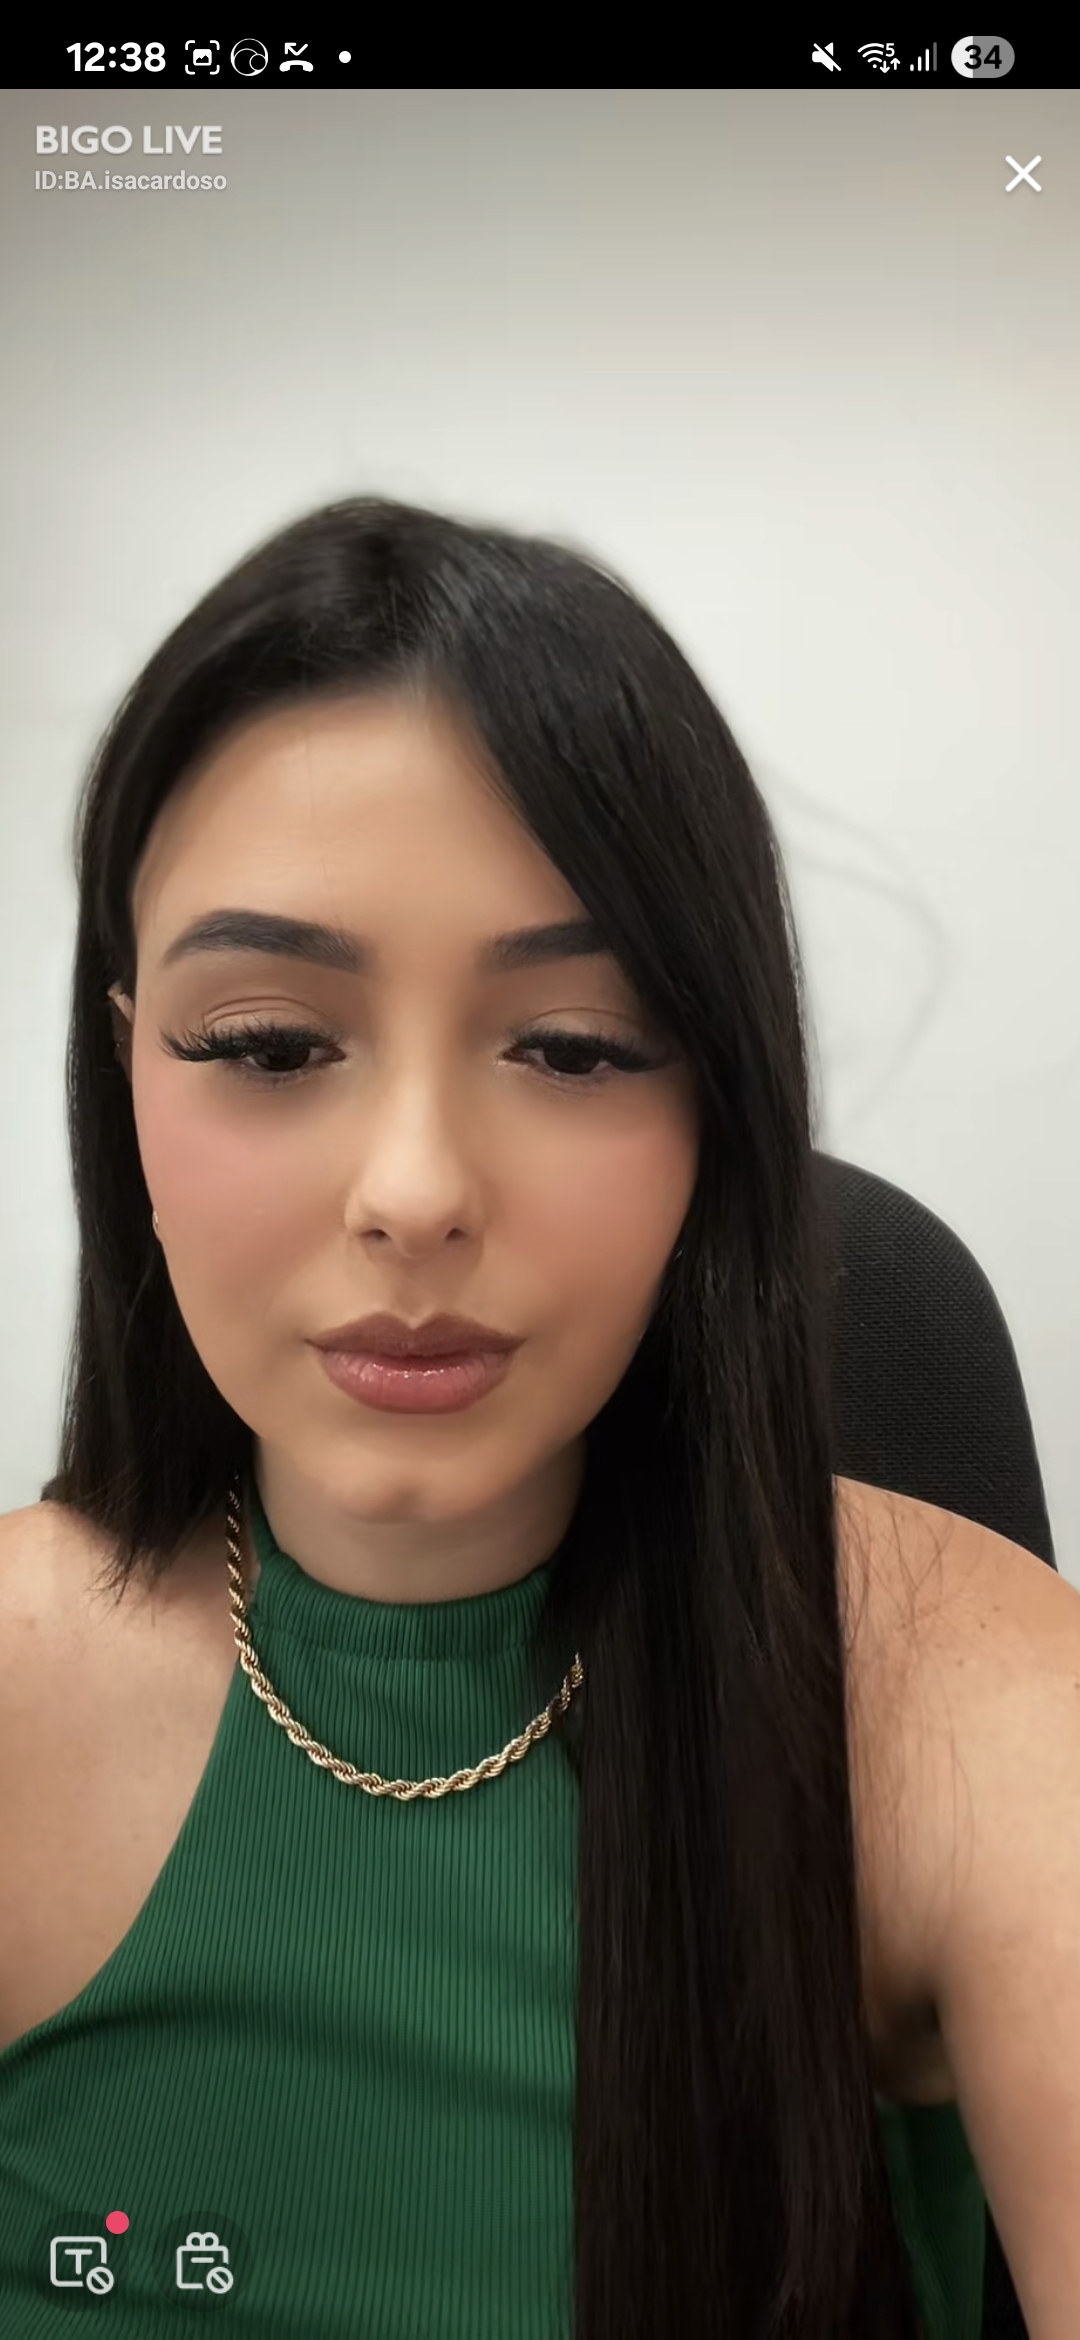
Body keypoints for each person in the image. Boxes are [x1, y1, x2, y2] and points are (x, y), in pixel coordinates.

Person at [0, 498, 988, 2335]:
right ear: (124, 1058)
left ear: (717, 1107)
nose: (415, 1193)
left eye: (573, 1047)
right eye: (270, 1045)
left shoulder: (954, 1688)